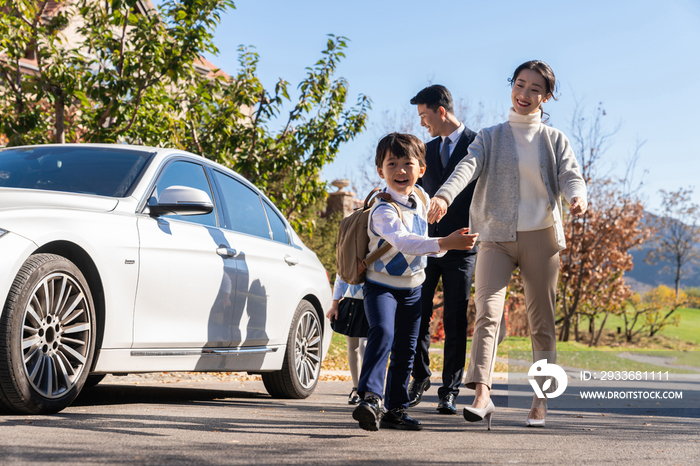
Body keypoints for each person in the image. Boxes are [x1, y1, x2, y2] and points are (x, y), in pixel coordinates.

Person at [428, 60, 587, 429]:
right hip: (496, 236)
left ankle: (540, 400)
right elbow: (466, 167)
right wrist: (444, 196)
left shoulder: (554, 139)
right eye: (520, 84)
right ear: (511, 86)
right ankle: (482, 393)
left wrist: (577, 196)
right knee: (487, 313)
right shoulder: (490, 135)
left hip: (542, 237)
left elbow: (570, 175)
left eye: (535, 88)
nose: (525, 94)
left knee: (541, 323)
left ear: (547, 96)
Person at [352, 132, 479, 432]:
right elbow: (406, 241)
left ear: (421, 169)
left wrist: (444, 206)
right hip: (381, 286)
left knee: (407, 348)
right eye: (391, 164)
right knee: (382, 333)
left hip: (412, 288)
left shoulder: (421, 198)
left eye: (408, 164)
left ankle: (396, 407)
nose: (400, 171)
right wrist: (445, 242)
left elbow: (429, 214)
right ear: (380, 170)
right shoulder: (382, 210)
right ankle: (370, 398)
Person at [407, 85, 478, 415]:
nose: (423, 123)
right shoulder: (426, 149)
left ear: (441, 111)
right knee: (418, 313)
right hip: (428, 245)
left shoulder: (478, 144)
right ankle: (419, 377)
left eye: (424, 115)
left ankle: (449, 390)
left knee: (454, 318)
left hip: (464, 246)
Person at [326, 275, 367, 405]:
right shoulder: (346, 256)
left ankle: (368, 389)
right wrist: (335, 304)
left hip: (370, 301)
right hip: (351, 301)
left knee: (364, 346)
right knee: (352, 346)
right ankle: (356, 388)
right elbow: (340, 278)